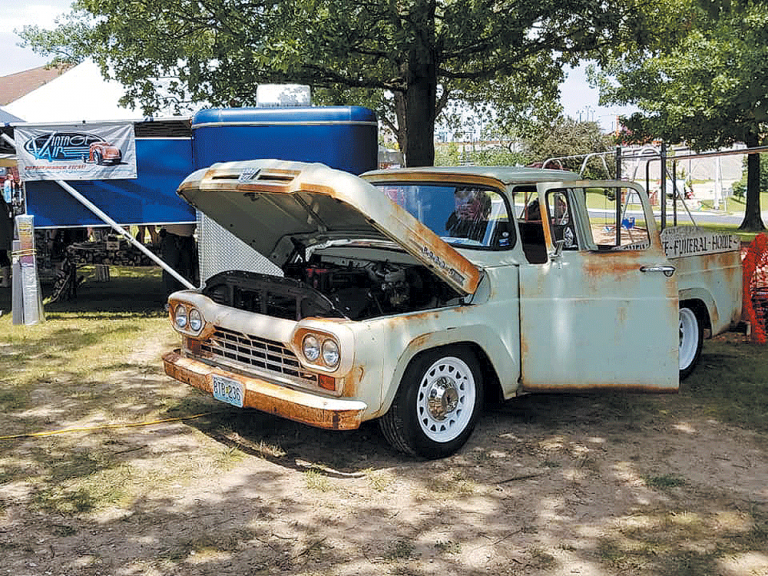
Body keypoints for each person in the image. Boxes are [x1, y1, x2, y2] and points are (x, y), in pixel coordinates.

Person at [160, 223, 197, 302]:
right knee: (170, 270)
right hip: (171, 235)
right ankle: (169, 301)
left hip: (187, 237)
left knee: (187, 270)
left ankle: (185, 299)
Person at [0, 194, 12, 288]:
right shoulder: (3, 204)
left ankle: (5, 280)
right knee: (3, 256)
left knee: (2, 257)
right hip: (4, 234)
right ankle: (6, 280)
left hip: (2, 234)